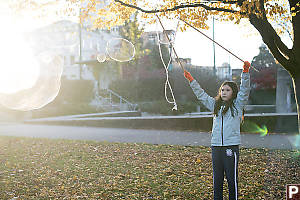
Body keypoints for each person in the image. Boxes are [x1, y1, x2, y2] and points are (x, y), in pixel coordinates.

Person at [183, 61, 251, 200]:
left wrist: (245, 72)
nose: (224, 92)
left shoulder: (237, 105)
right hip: (216, 147)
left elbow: (245, 90)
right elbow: (201, 95)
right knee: (217, 180)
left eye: (227, 90)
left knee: (231, 180)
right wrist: (191, 80)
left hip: (230, 146)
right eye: (222, 90)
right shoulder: (215, 105)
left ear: (233, 93)